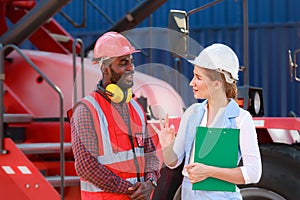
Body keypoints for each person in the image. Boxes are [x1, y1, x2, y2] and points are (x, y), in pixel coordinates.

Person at [158, 43, 262, 199]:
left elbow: (254, 173)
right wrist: (167, 146)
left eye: (198, 77)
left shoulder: (240, 119)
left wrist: (208, 171)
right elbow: (174, 162)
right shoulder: (192, 113)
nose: (191, 82)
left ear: (217, 83)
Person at [69, 31, 160, 200]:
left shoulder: (137, 108)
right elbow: (86, 166)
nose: (131, 68)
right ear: (105, 67)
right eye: (123, 63)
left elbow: (151, 155)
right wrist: (131, 190)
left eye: (131, 62)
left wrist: (150, 183)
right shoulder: (86, 110)